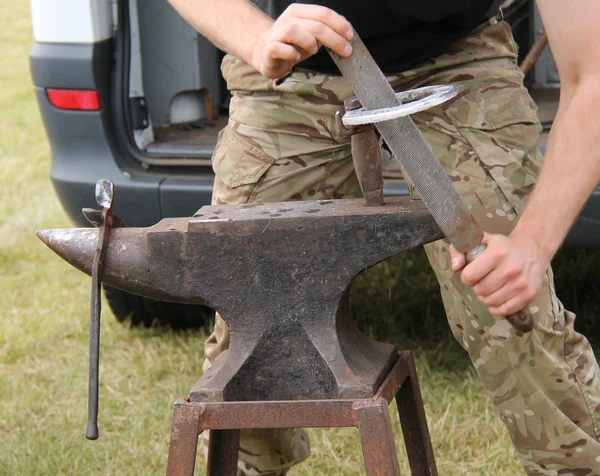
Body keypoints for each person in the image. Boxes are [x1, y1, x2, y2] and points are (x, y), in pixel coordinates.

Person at [168, 1, 600, 474]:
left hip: (456, 57)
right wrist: (255, 37)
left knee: (512, 308)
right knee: (250, 318)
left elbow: (593, 73)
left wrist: (533, 244)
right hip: (291, 66)